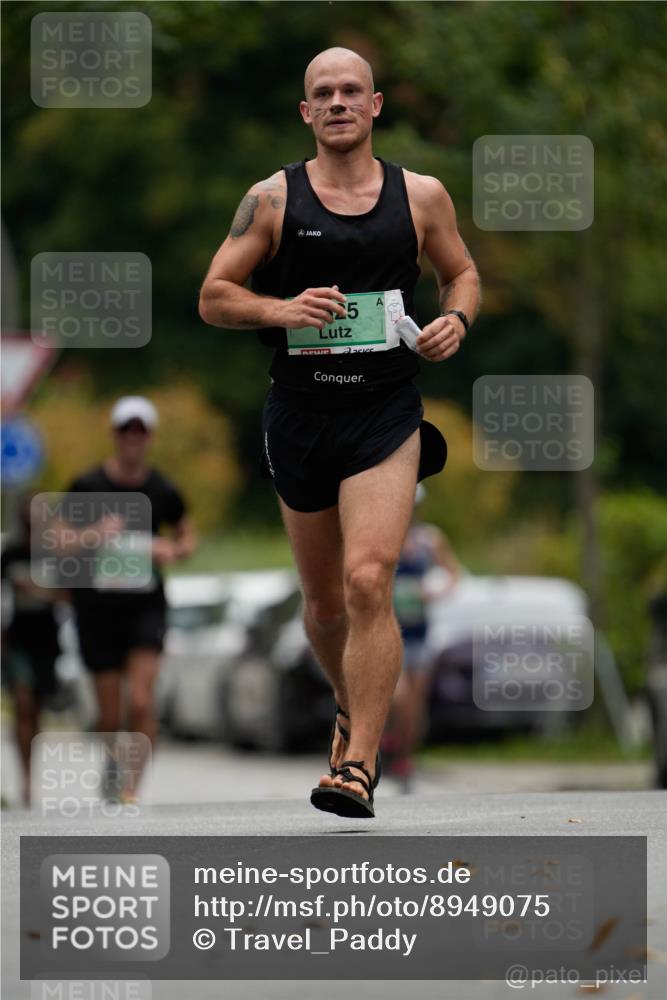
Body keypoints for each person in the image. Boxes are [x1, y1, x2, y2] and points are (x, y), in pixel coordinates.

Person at [199, 47, 481, 817]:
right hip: (299, 416)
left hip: (383, 414)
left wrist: (455, 319)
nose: (337, 103)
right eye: (322, 93)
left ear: (375, 104)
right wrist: (280, 309)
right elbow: (214, 295)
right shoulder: (271, 199)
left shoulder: (420, 196)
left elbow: (461, 273)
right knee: (325, 605)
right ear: (305, 112)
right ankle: (351, 710)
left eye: (350, 90)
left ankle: (357, 766)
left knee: (367, 580)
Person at [62, 396, 197, 801]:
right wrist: (94, 534)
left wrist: (169, 550)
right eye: (126, 430)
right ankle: (114, 761)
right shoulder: (87, 486)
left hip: (145, 606)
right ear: (115, 435)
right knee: (109, 714)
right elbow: (59, 540)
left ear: (150, 437)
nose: (132, 439)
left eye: (140, 431)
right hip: (97, 608)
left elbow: (186, 537)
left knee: (140, 701)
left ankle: (130, 789)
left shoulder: (162, 489)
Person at [384, 485, 463, 791]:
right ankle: (386, 740)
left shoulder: (429, 539)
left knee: (415, 707)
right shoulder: (382, 534)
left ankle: (404, 758)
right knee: (398, 698)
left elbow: (454, 574)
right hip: (388, 633)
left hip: (420, 634)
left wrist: (434, 592)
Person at [1, 496, 68, 805]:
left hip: (47, 640)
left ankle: (32, 771)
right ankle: (25, 778)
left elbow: (68, 596)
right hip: (17, 640)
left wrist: (36, 590)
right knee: (23, 703)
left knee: (37, 709)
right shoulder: (10, 554)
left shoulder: (56, 554)